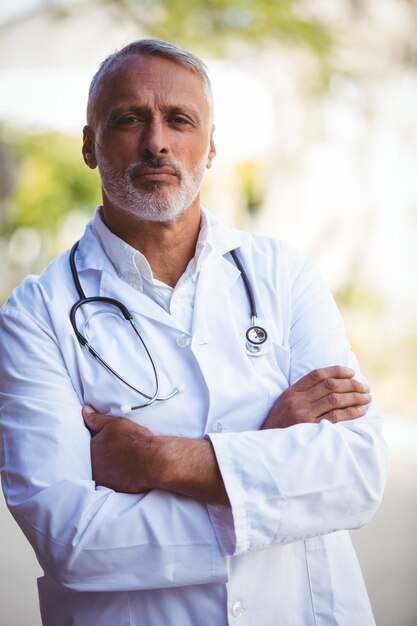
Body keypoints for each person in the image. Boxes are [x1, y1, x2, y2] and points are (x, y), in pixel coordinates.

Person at [0, 39, 388, 626]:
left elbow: (354, 475)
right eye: (129, 119)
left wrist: (160, 461)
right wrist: (268, 461)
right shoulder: (36, 314)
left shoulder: (281, 274)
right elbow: (73, 542)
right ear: (89, 144)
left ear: (211, 146)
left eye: (179, 120)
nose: (157, 141)